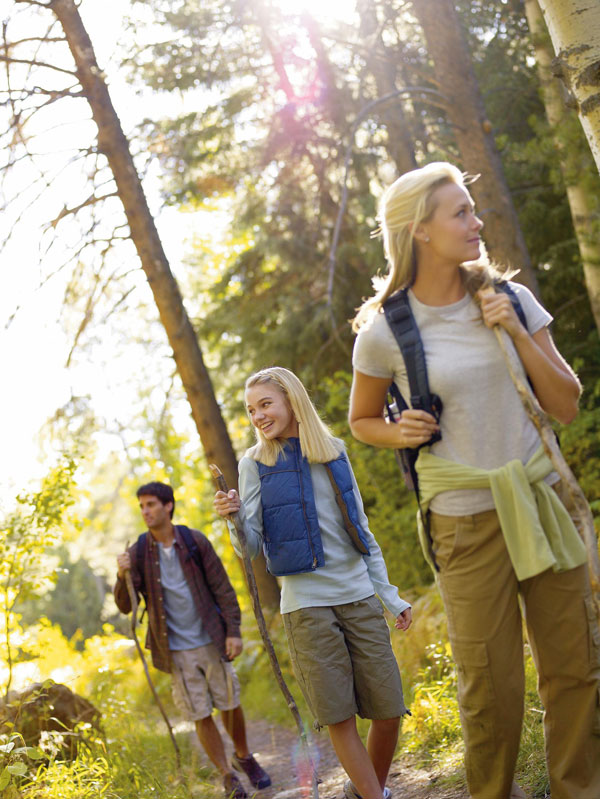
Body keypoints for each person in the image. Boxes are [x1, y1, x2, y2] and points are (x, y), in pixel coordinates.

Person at [348, 161, 600, 799]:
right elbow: (360, 420)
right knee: (489, 685)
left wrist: (513, 330)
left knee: (575, 669)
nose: (477, 221)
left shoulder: (510, 298)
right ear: (420, 231)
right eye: (460, 212)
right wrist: (395, 430)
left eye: (474, 209)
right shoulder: (384, 331)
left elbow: (566, 403)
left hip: (542, 501)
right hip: (462, 518)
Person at [214, 366, 412, 799]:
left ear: (291, 400)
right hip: (306, 607)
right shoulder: (254, 464)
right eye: (251, 410)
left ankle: (364, 792)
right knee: (339, 717)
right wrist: (233, 520)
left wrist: (390, 597)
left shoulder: (334, 451)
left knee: (389, 709)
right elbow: (250, 548)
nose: (258, 416)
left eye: (266, 404)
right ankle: (375, 796)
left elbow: (362, 528)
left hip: (359, 596)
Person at [114, 481, 271, 799]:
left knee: (230, 704)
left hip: (212, 639)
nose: (145, 511)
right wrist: (122, 576)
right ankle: (227, 775)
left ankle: (243, 756)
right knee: (200, 713)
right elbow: (126, 605)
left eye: (151, 504)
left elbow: (223, 588)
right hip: (174, 650)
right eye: (142, 506)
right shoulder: (139, 551)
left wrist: (233, 631)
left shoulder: (194, 541)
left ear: (168, 506)